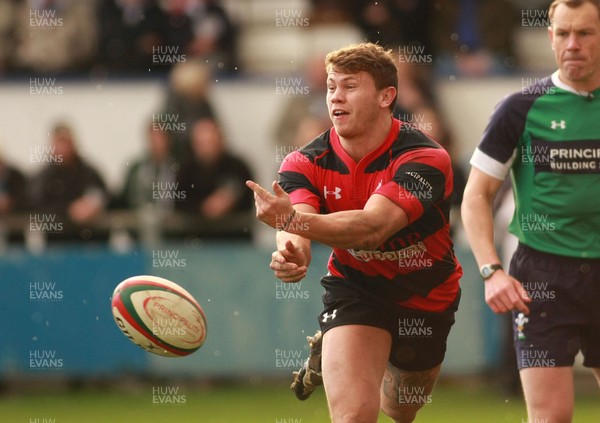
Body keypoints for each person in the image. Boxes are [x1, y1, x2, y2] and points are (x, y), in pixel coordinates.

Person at [247, 42, 462, 423]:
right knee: (355, 416)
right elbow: (298, 219)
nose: (335, 97)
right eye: (331, 87)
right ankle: (337, 350)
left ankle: (336, 360)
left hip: (427, 294)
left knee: (400, 408)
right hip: (356, 287)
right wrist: (292, 248)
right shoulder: (304, 161)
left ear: (386, 96)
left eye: (349, 86)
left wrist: (290, 224)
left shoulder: (425, 157)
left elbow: (372, 229)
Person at [461, 1, 600, 421]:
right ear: (550, 36)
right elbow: (476, 197)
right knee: (551, 417)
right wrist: (490, 270)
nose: (572, 44)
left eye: (585, 33)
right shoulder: (520, 107)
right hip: (541, 276)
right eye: (562, 33)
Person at [27, 122, 108, 241]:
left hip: (90, 242)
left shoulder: (89, 173)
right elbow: (34, 205)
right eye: (59, 143)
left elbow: (104, 195)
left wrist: (94, 206)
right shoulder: (44, 178)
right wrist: (68, 211)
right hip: (58, 244)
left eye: (66, 142)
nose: (63, 148)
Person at [176, 117, 253, 238]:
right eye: (202, 143)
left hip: (234, 239)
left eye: (211, 141)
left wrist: (230, 202)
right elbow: (178, 205)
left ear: (221, 139)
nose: (207, 147)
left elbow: (251, 200)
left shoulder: (238, 167)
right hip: (195, 239)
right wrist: (204, 208)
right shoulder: (185, 170)